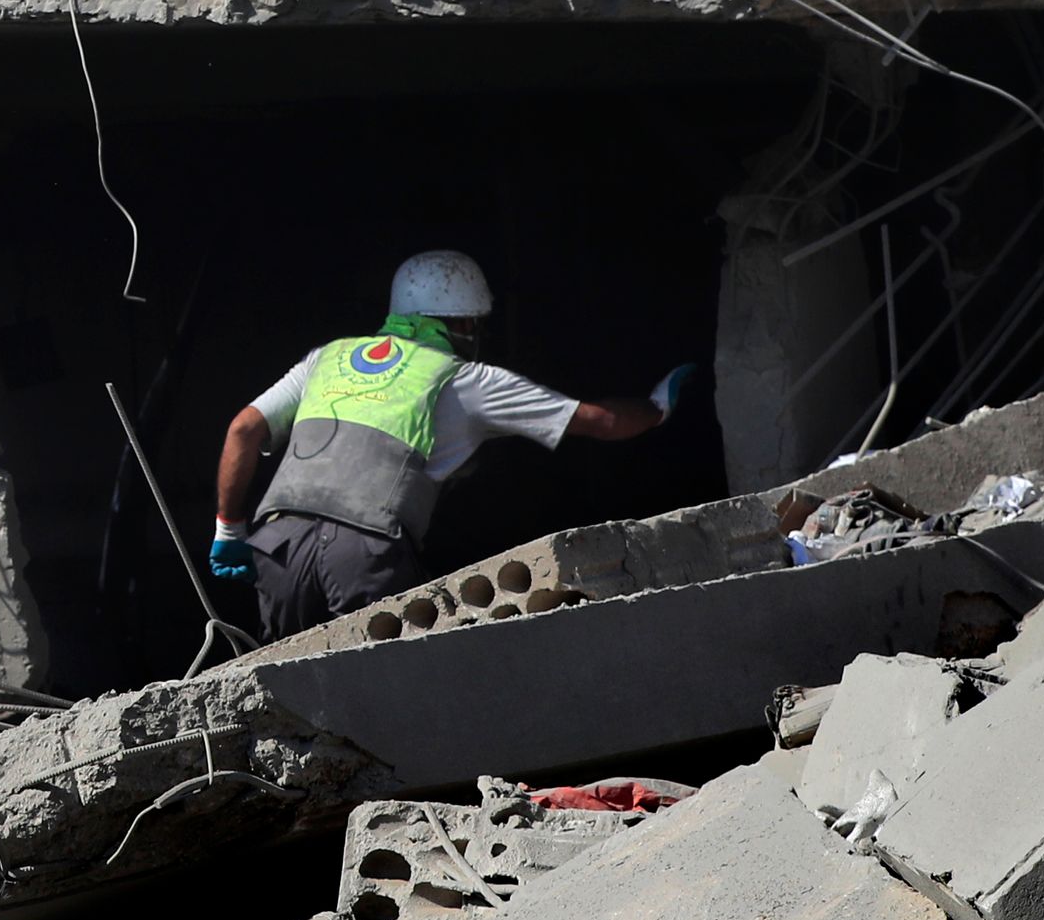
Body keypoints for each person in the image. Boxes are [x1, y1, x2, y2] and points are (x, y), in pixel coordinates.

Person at [209, 249, 692, 641]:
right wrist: (656, 408)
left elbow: (242, 430)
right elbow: (598, 421)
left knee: (280, 693)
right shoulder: (464, 379)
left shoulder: (326, 359)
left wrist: (229, 531)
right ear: (463, 325)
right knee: (383, 690)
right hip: (363, 551)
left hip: (279, 548)